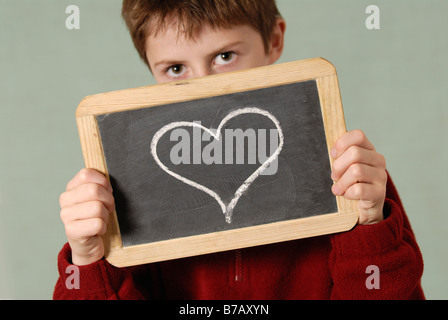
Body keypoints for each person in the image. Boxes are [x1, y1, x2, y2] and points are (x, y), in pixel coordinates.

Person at [54, 0, 424, 299]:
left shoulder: (346, 174)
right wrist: (88, 262)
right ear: (151, 68)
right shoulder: (129, 194)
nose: (204, 88)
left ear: (274, 41)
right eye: (176, 68)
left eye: (225, 57)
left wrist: (370, 230)